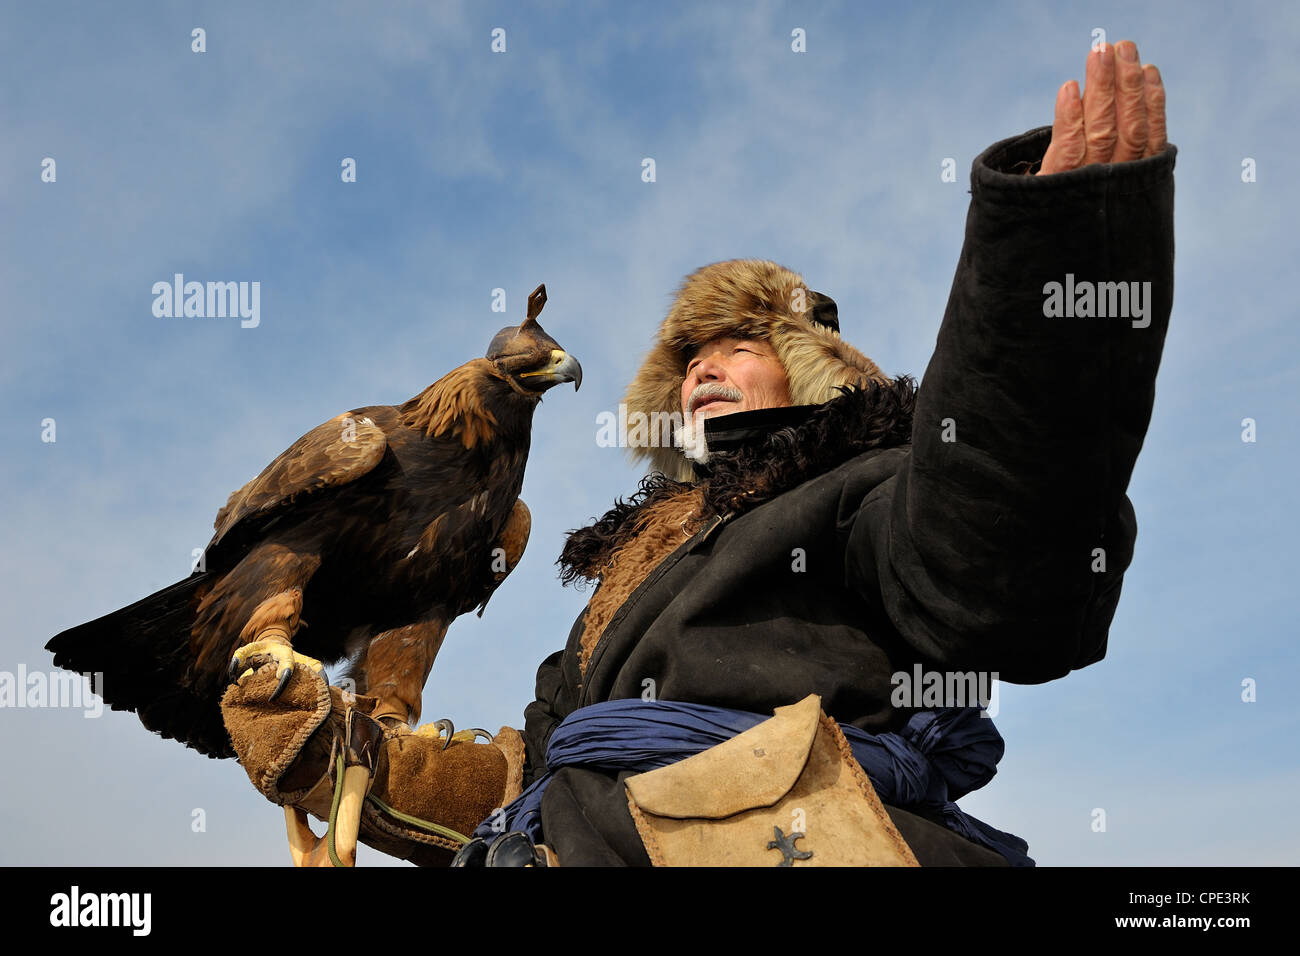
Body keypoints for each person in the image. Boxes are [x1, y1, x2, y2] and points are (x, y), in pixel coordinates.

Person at [222, 39, 1174, 866]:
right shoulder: (631, 570)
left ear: (809, 370)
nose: (703, 369)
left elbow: (995, 551)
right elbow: (542, 772)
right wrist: (358, 762)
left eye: (739, 345)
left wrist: (1047, 287)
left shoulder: (868, 491)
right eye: (688, 359)